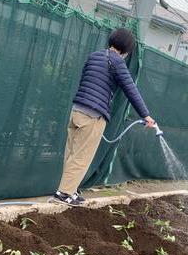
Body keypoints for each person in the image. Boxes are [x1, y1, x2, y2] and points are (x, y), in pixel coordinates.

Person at [54, 28, 156, 206]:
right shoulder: (117, 62)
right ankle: (64, 194)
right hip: (93, 115)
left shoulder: (94, 56)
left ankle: (70, 190)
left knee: (72, 154)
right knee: (82, 157)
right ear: (126, 48)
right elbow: (131, 90)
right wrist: (146, 115)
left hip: (77, 111)